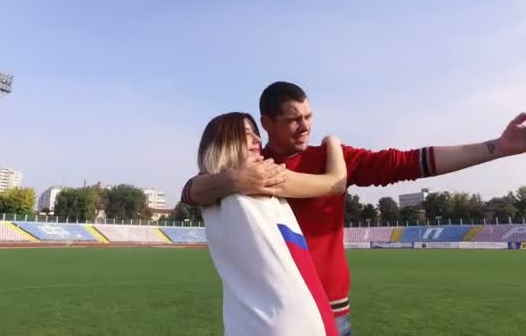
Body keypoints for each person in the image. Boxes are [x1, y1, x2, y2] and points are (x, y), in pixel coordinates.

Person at [182, 81, 526, 336]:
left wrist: (496, 147)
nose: (305, 126)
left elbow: (406, 163)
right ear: (266, 123)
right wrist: (233, 181)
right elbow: (190, 190)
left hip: (332, 306)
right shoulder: (249, 166)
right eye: (292, 119)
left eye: (308, 116)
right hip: (273, 313)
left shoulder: (332, 160)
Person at [197, 111, 347, 336]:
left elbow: (192, 188)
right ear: (226, 142)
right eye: (247, 134)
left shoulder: (208, 195)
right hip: (295, 323)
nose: (257, 140)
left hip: (245, 324)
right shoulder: (262, 177)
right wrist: (334, 143)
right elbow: (336, 183)